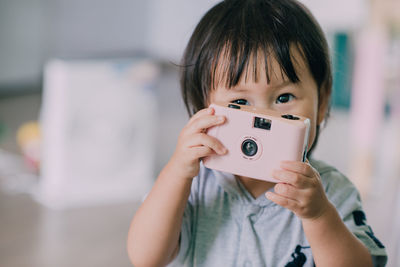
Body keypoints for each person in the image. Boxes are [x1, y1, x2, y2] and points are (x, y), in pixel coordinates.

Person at [127, 0, 388, 266]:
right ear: (204, 108)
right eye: (240, 103)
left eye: (284, 97)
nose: (264, 118)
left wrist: (319, 217)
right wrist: (177, 172)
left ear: (322, 102)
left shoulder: (331, 192)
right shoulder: (190, 184)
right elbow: (146, 258)